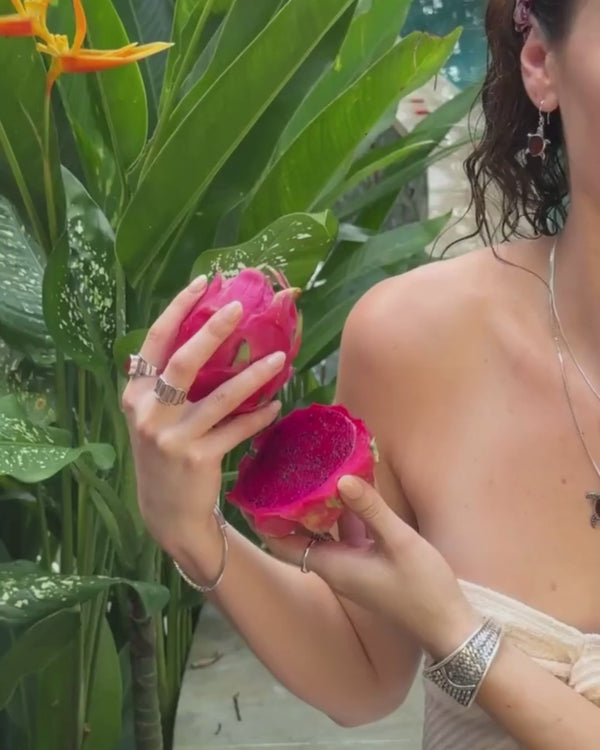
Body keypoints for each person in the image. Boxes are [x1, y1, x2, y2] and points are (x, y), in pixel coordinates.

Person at [121, 0, 600, 747]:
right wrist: (190, 530)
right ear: (541, 61)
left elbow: (441, 629)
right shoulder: (417, 341)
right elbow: (363, 674)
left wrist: (457, 634)